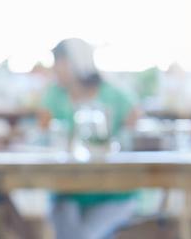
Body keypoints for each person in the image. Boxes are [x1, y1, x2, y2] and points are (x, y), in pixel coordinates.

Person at [38, 38, 139, 239]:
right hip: (66, 190)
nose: (55, 68)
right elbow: (43, 136)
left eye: (60, 61)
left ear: (77, 61)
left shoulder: (115, 95)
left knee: (80, 236)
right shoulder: (53, 95)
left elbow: (134, 134)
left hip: (114, 192)